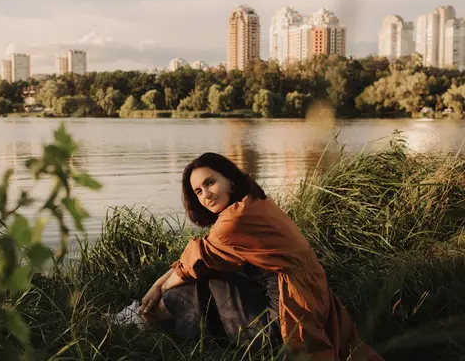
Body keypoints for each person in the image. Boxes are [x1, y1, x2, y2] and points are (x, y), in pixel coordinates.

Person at [139, 152, 384, 361]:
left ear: (230, 180)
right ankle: (155, 319)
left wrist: (161, 288)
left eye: (210, 182)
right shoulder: (255, 202)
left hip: (284, 326)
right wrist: (157, 284)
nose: (206, 194)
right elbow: (199, 253)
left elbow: (196, 261)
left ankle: (155, 323)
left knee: (189, 288)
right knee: (207, 277)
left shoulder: (234, 220)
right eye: (198, 191)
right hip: (306, 306)